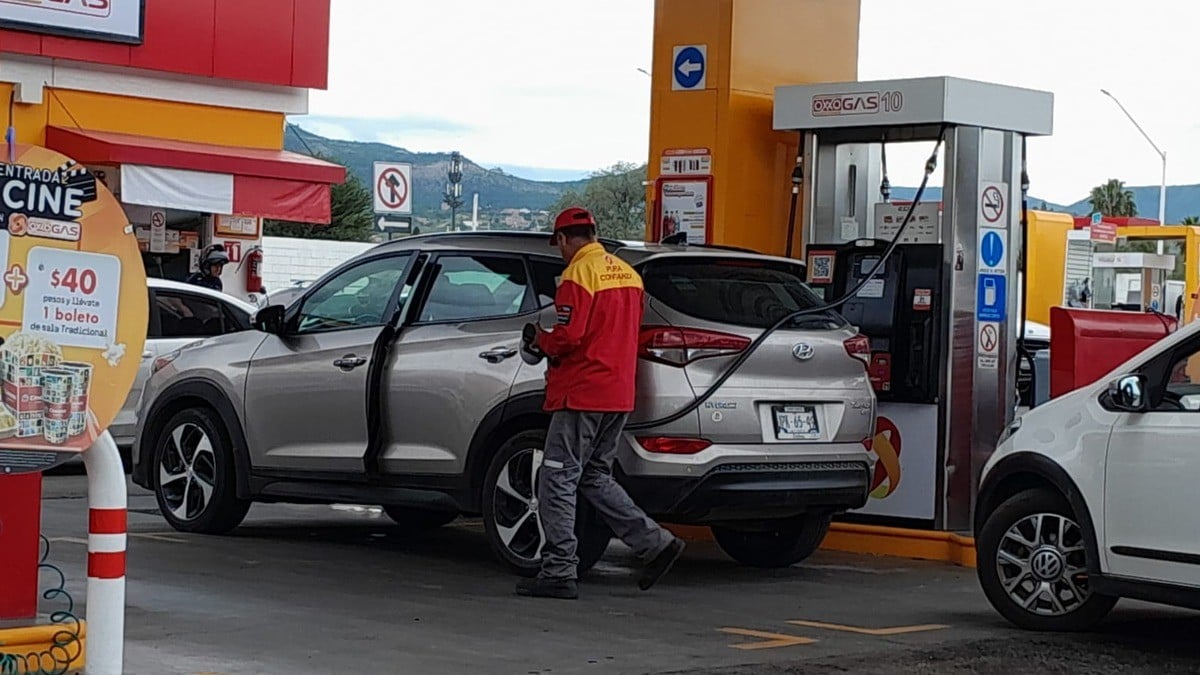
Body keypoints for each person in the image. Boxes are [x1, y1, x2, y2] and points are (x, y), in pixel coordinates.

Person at [516, 206, 684, 600]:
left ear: (562, 239)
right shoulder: (628, 274)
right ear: (593, 233)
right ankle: (655, 544)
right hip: (618, 393)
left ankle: (558, 569)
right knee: (594, 477)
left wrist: (539, 339)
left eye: (558, 244)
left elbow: (569, 336)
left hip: (582, 393)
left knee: (556, 478)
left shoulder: (578, 274)